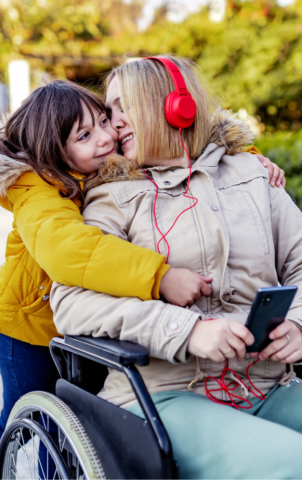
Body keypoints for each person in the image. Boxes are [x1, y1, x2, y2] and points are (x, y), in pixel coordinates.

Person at [51, 56, 302, 479]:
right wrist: (185, 331)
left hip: (267, 381)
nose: (114, 125)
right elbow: (71, 302)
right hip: (163, 393)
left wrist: (298, 324)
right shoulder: (110, 197)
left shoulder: (253, 176)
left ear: (175, 106)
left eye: (123, 107)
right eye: (109, 113)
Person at [0, 80, 215, 436]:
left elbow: (186, 147)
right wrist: (159, 277)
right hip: (29, 326)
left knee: (79, 423)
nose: (104, 138)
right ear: (54, 151)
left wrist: (248, 158)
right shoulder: (34, 189)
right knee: (29, 423)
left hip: (83, 322)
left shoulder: (105, 167)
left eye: (103, 121)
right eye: (83, 136)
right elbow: (69, 250)